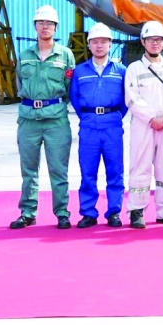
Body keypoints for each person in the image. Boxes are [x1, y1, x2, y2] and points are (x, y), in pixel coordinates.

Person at [10, 5, 76, 230]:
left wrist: (54, 105)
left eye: (49, 23)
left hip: (56, 119)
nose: (45, 26)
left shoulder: (65, 54)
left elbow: (70, 87)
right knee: (28, 169)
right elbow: (19, 82)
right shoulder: (25, 55)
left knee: (59, 169)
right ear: (35, 26)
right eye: (41, 23)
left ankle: (62, 212)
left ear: (56, 28)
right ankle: (28, 212)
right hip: (28, 118)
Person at [124, 20, 163, 229]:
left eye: (159, 39)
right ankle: (136, 210)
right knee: (139, 166)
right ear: (143, 41)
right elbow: (131, 99)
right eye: (151, 39)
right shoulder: (134, 68)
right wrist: (152, 118)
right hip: (144, 125)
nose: (155, 43)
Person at [69, 22, 127, 229]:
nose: (99, 45)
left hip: (112, 127)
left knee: (115, 171)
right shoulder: (80, 71)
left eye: (103, 41)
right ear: (89, 45)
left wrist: (114, 115)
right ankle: (88, 213)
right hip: (89, 128)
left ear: (110, 44)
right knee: (88, 172)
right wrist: (88, 116)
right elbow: (74, 98)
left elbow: (125, 100)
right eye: (95, 42)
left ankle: (114, 212)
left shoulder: (121, 70)